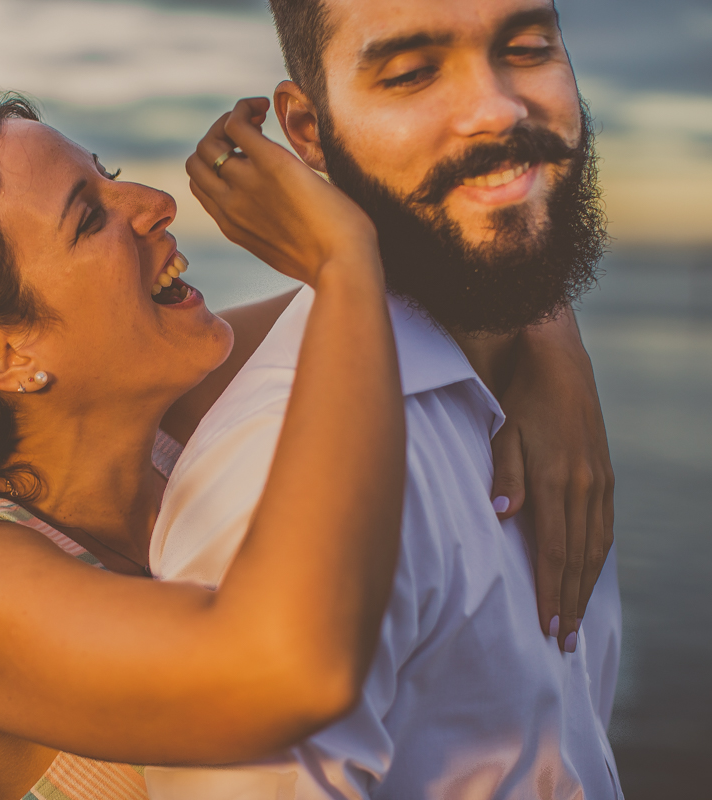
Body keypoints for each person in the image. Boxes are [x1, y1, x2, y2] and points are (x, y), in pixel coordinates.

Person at [0, 97, 611, 800]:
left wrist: (553, 343)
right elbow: (292, 676)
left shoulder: (172, 423)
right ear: (5, 355)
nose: (150, 200)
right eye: (88, 216)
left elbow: (445, 284)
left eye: (108, 173)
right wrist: (341, 259)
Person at [143, 0, 622, 798]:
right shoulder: (274, 476)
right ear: (306, 132)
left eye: (529, 47)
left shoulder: (533, 398)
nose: (496, 108)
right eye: (410, 73)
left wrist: (549, 329)